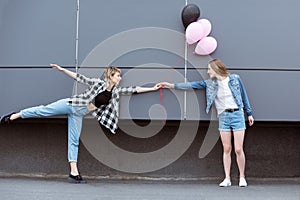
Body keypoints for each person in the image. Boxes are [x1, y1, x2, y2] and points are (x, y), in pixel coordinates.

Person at [0, 64, 160, 183]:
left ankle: (73, 173)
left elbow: (134, 89)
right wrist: (62, 70)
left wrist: (153, 88)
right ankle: (16, 115)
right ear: (111, 76)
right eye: (118, 75)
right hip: (72, 104)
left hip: (80, 114)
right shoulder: (98, 84)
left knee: (74, 141)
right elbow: (79, 77)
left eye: (120, 76)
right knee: (43, 110)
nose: (120, 78)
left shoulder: (116, 92)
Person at [159, 59, 254, 187]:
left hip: (237, 115)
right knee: (227, 148)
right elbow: (192, 85)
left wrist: (249, 113)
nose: (208, 72)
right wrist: (171, 85)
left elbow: (243, 96)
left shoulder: (235, 79)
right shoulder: (210, 83)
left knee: (238, 149)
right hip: (223, 116)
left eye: (209, 69)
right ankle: (227, 178)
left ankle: (242, 177)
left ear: (216, 69)